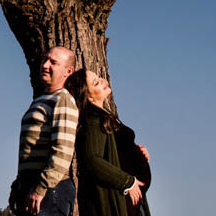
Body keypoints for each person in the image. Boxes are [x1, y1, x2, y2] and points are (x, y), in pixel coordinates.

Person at [64, 70, 149, 216]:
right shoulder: (92, 120)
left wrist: (136, 152)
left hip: (129, 200)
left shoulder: (104, 116)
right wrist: (128, 182)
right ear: (88, 95)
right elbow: (92, 160)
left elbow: (113, 151)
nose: (103, 80)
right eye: (96, 82)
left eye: (99, 77)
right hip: (116, 201)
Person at [13, 46, 79, 216]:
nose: (45, 65)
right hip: (31, 187)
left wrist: (41, 189)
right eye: (45, 60)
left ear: (68, 71)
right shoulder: (41, 100)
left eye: (53, 62)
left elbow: (63, 151)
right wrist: (18, 185)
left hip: (50, 191)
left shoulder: (63, 100)